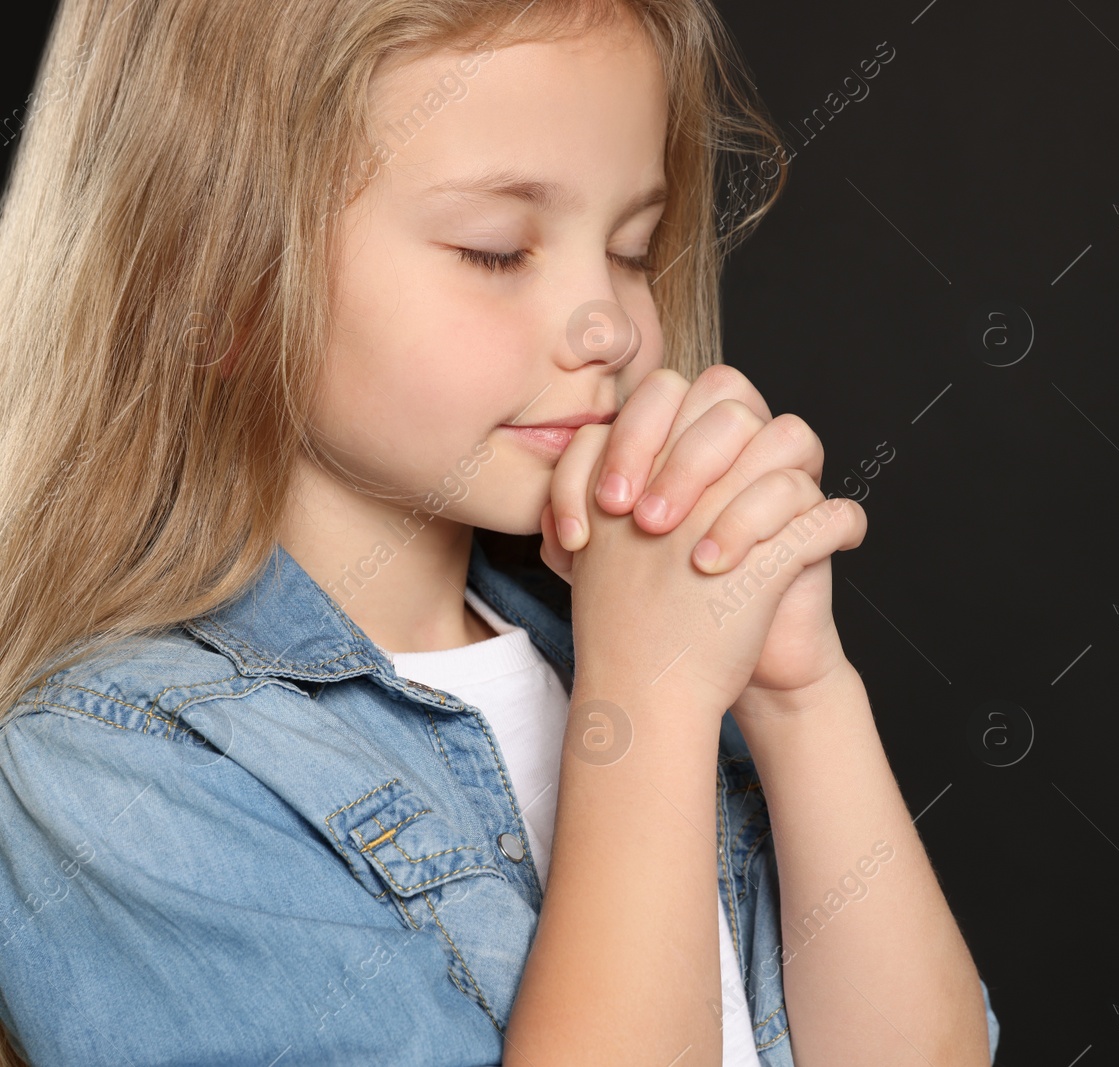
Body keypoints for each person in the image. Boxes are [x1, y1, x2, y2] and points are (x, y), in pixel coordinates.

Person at [0, 0, 1001, 1064]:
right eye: (496, 250)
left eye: (631, 247)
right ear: (216, 288)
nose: (609, 323)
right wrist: (644, 710)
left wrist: (800, 699)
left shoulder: (620, 637)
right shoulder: (113, 765)